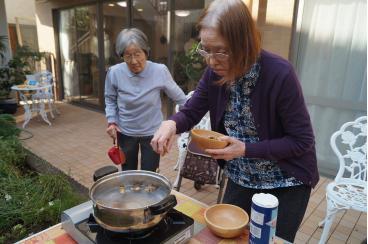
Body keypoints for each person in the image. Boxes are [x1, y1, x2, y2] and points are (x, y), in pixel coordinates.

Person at [150, 0, 319, 242]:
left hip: (286, 182)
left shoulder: (280, 74)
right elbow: (191, 111)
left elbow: (302, 141)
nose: (211, 60)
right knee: (224, 237)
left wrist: (246, 149)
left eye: (221, 51)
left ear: (246, 44)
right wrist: (172, 124)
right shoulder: (214, 73)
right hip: (242, 176)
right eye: (206, 49)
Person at [105, 28, 186, 172]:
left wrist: (178, 126)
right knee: (128, 172)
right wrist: (112, 121)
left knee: (149, 174)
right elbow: (110, 99)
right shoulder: (114, 72)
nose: (134, 61)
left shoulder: (159, 71)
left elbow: (181, 99)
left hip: (153, 134)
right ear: (121, 55)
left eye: (137, 54)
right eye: (128, 55)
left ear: (146, 52)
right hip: (125, 132)